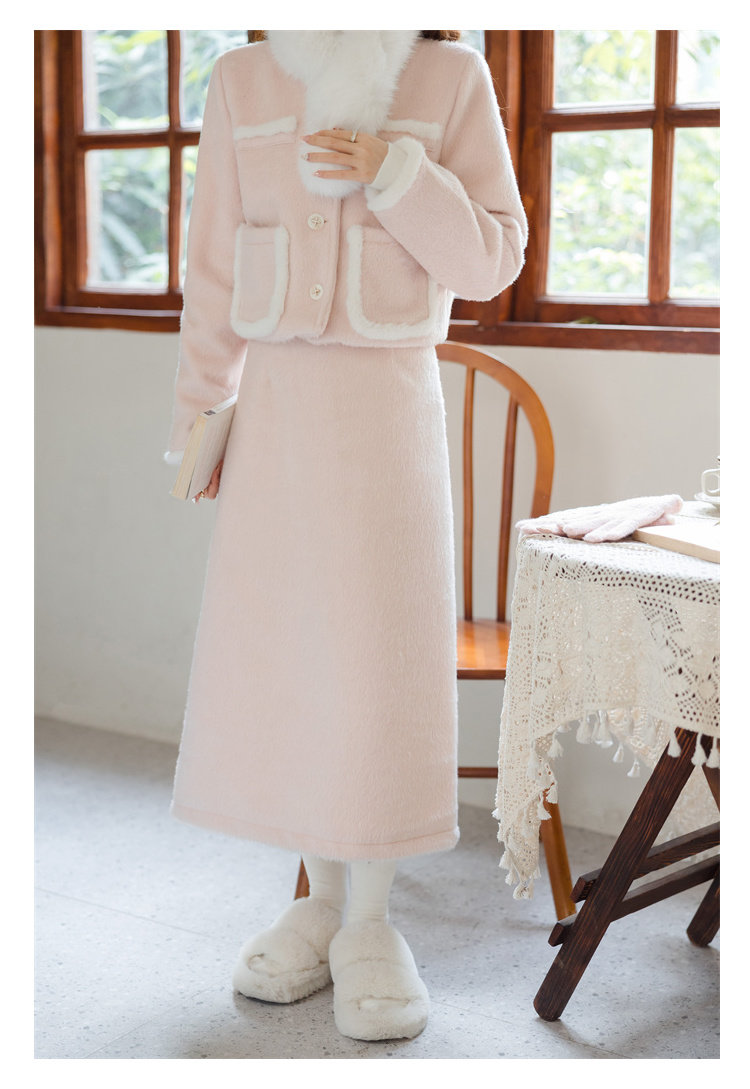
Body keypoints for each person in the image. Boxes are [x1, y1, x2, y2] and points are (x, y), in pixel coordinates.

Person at [164, 29, 527, 1042]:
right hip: (276, 420)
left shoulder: (449, 74)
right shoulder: (241, 77)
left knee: (378, 667)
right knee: (294, 660)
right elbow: (213, 260)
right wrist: (198, 415)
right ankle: (320, 905)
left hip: (388, 414)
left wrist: (397, 173)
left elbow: (494, 256)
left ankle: (371, 920)